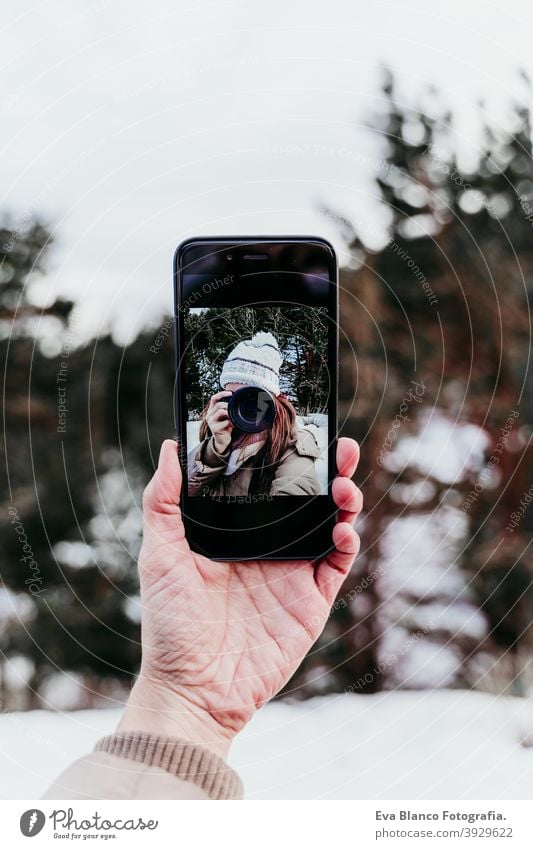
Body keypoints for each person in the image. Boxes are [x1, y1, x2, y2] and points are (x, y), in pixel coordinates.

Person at [43, 438, 362, 800]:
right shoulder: (207, 440)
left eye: (259, 402)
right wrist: (185, 695)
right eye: (233, 396)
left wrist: (186, 703)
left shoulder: (297, 448)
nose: (247, 409)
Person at [188, 331, 322, 497]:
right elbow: (184, 491)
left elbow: (297, 490)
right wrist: (214, 450)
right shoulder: (219, 433)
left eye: (253, 398)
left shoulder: (291, 441)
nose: (246, 407)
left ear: (272, 400)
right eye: (234, 397)